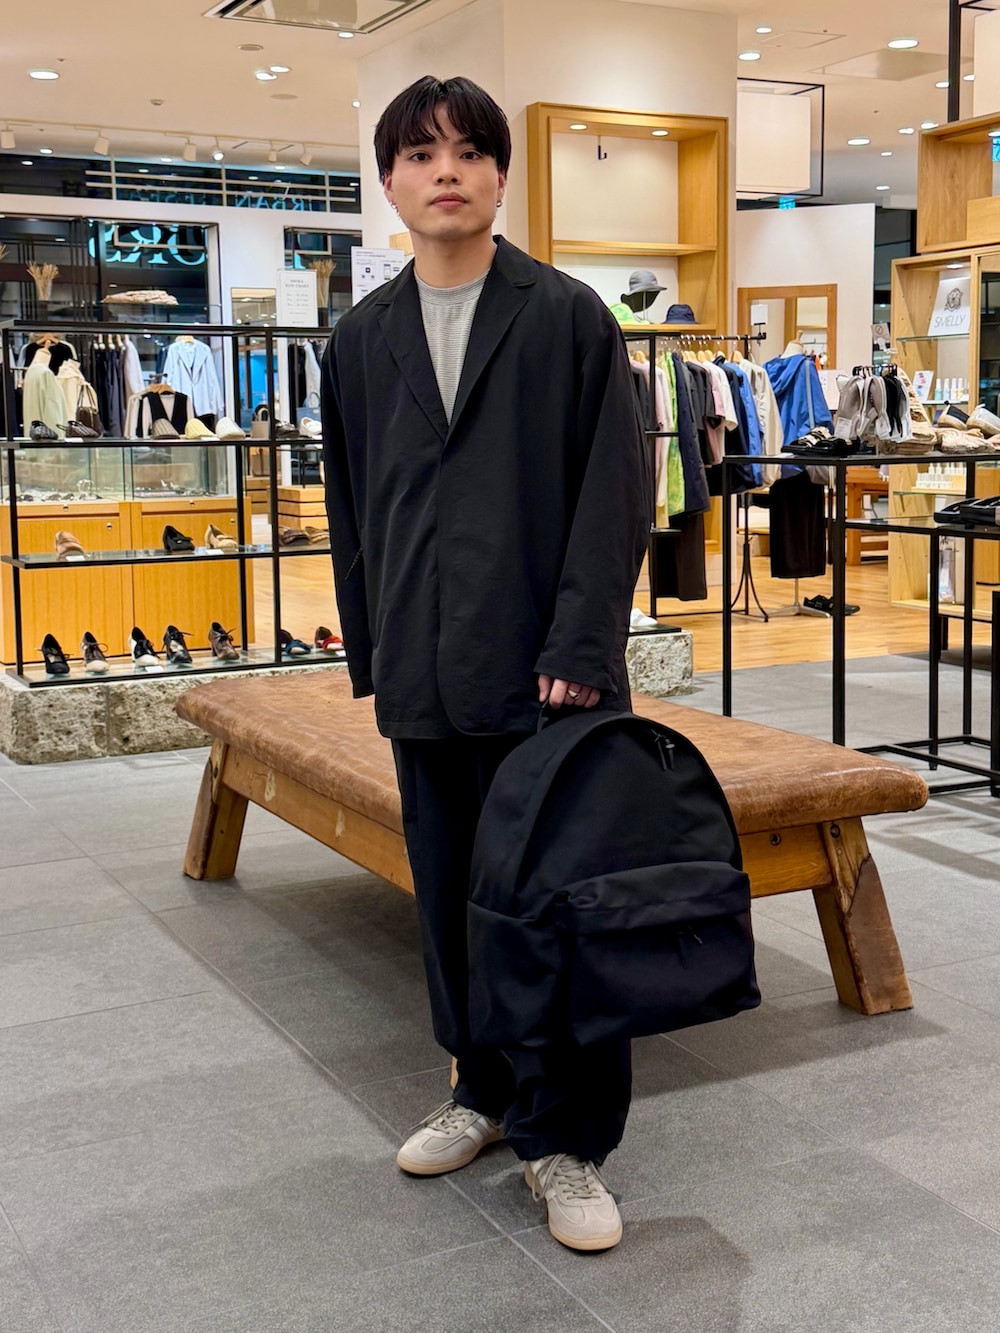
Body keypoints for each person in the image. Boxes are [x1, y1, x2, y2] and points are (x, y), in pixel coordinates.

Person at [322, 74, 649, 1252]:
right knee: (451, 891)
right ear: (390, 181)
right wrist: (375, 653)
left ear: (501, 175)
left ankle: (568, 1138)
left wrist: (581, 644)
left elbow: (615, 491)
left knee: (555, 903)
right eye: (419, 154)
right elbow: (352, 507)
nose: (444, 171)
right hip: (425, 666)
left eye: (467, 150)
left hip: (549, 674)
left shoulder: (566, 317)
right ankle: (481, 1087)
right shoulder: (360, 338)